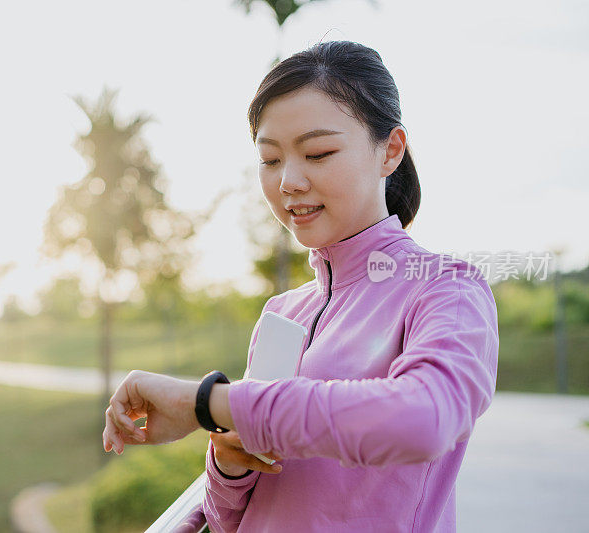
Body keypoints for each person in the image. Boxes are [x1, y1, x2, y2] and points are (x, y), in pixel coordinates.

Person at [101, 39, 499, 532]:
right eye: (270, 160)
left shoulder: (446, 289)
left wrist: (204, 403)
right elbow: (230, 519)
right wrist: (230, 461)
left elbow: (425, 420)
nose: (288, 180)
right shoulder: (283, 312)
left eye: (318, 153)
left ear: (390, 151)